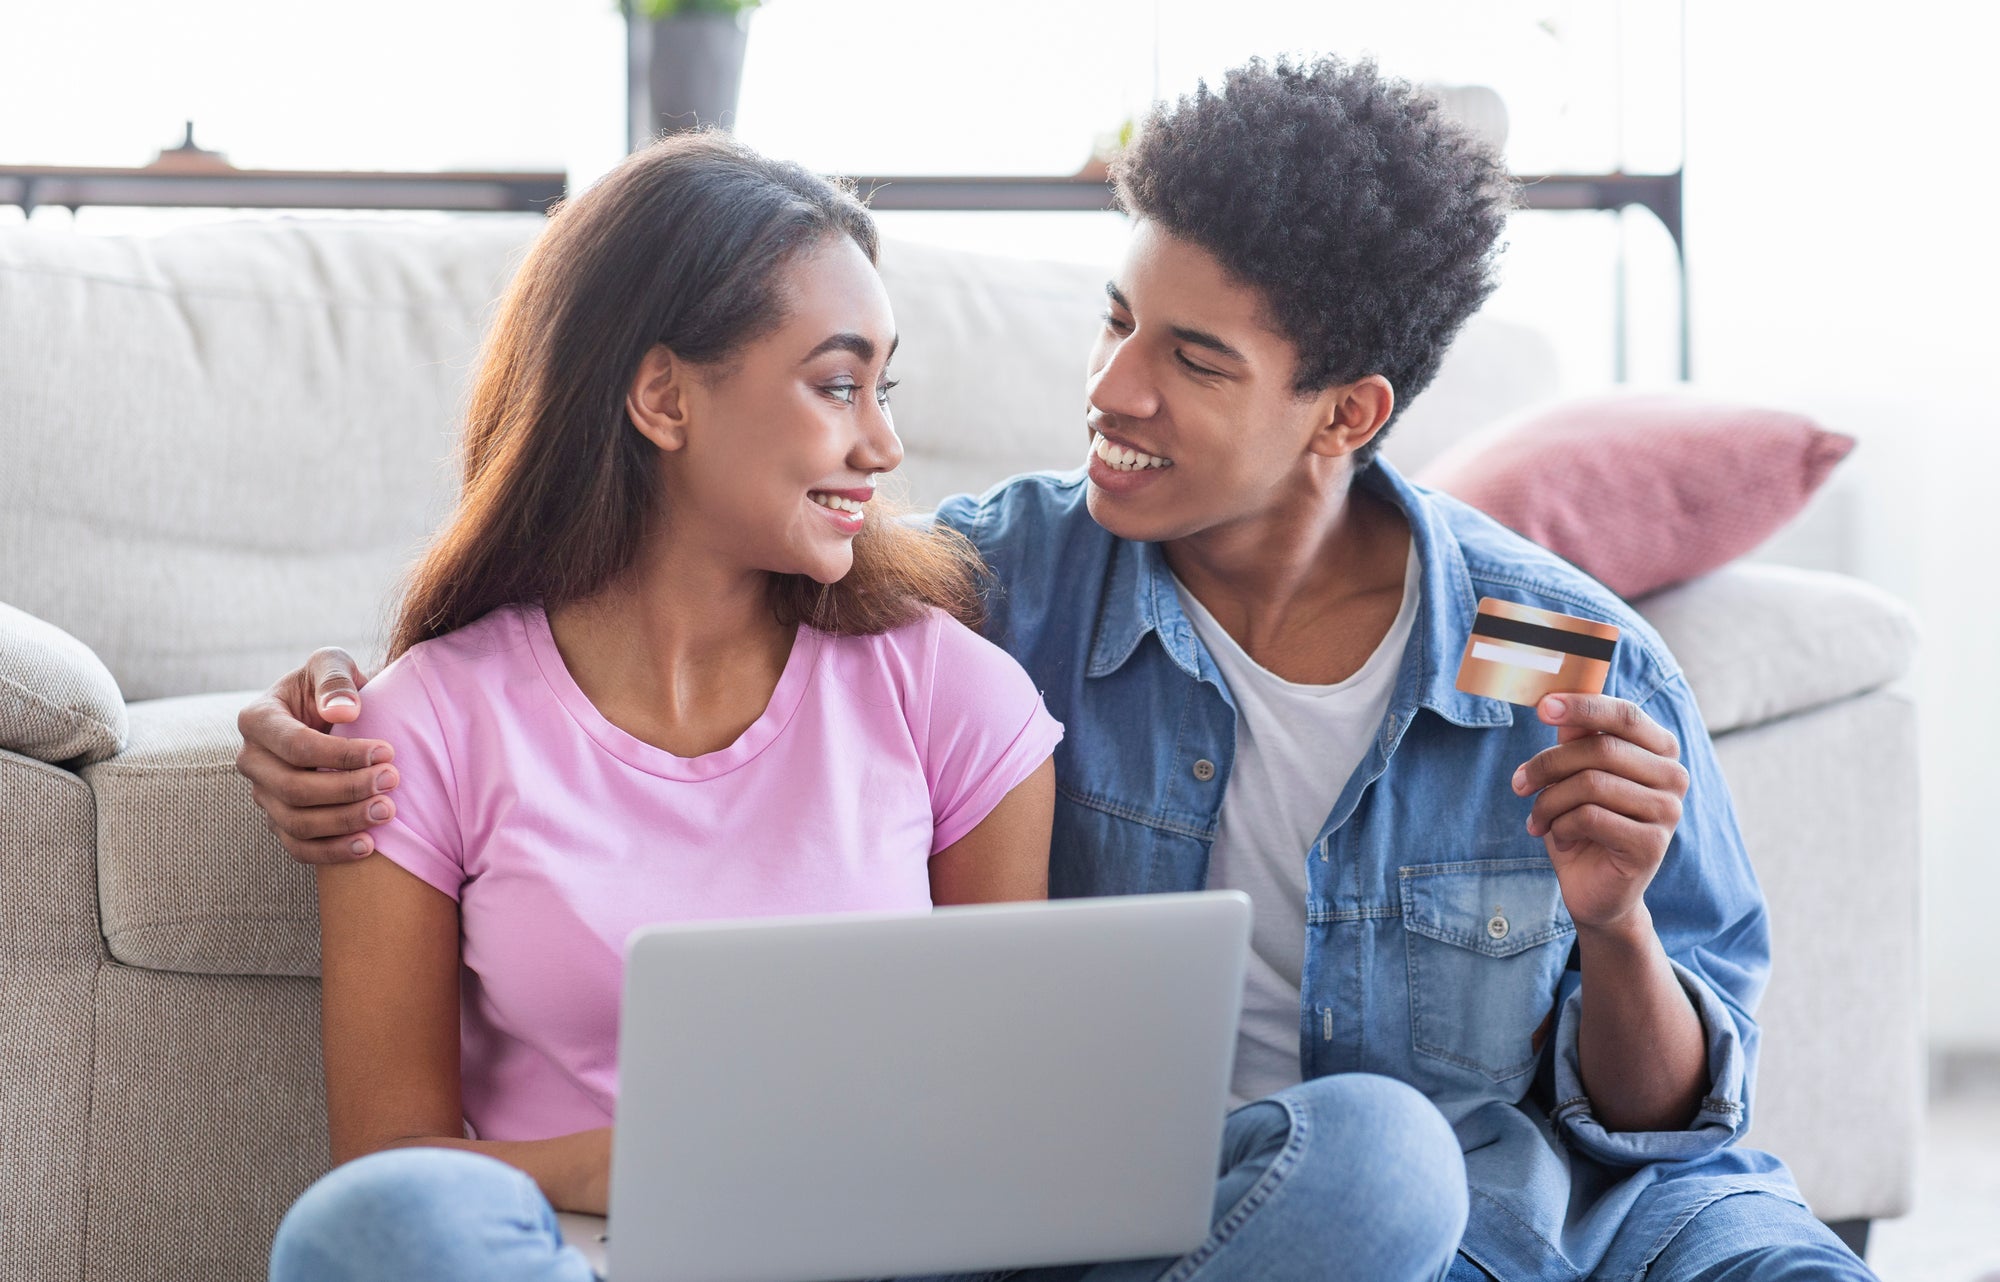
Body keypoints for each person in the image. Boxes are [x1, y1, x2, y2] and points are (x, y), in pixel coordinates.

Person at [240, 59, 1873, 1282]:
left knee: (1422, 1167)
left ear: (1345, 414)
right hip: (966, 1220)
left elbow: (1673, 1120)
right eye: (1116, 323)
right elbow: (710, 559)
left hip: (1469, 1201)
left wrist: (1614, 918)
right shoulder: (1005, 578)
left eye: (1192, 358)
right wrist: (334, 698)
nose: (1112, 388)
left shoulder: (1554, 660)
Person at [257, 129, 1470, 1282]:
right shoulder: (419, 728)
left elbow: (1010, 1120)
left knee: (1383, 1156)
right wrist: (644, 1172)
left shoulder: (948, 691)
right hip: (592, 1254)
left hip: (913, 1258)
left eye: (885, 388)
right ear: (664, 401)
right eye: (839, 387)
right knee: (372, 1224)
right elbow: (391, 1162)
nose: (884, 446)